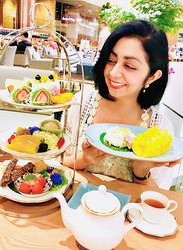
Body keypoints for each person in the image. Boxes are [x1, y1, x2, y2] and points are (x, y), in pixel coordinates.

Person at [64, 20, 181, 190]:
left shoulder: (160, 128)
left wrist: (140, 171)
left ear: (152, 77)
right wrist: (85, 159)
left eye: (129, 66)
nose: (113, 72)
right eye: (111, 60)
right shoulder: (81, 104)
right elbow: (58, 164)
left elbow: (160, 196)